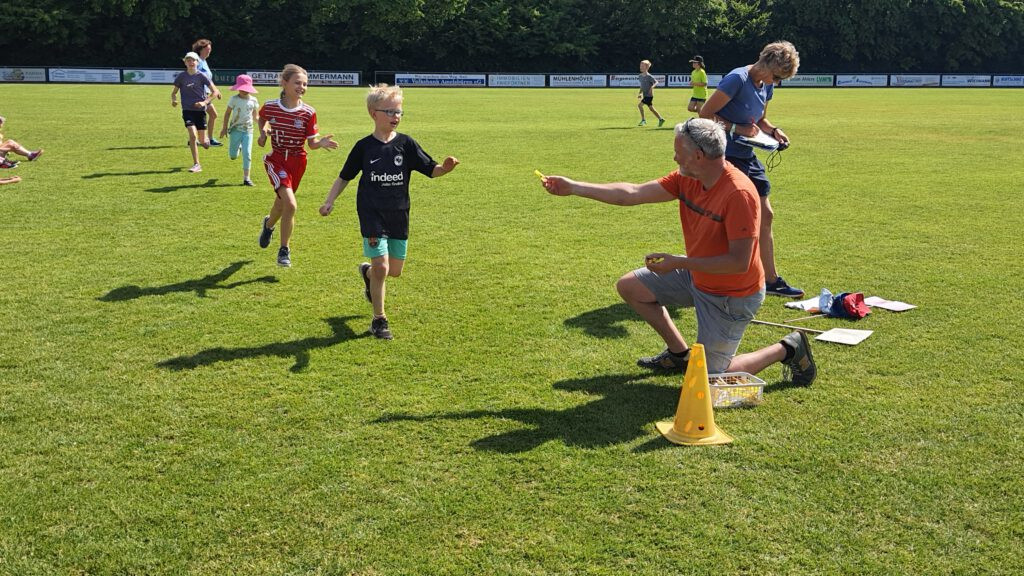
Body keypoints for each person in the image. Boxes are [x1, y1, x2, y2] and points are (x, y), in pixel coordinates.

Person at [540, 118, 815, 385]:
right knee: (631, 287)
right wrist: (574, 187)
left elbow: (739, 262)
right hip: (697, 276)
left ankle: (788, 347)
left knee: (707, 379)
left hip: (732, 295)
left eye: (678, 152)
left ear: (698, 155)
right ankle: (679, 354)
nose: (674, 158)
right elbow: (632, 193)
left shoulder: (738, 193)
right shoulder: (688, 177)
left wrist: (679, 262)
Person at [319, 84, 459, 340]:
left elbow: (432, 170)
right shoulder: (364, 147)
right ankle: (379, 320)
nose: (396, 116)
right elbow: (344, 177)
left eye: (399, 112)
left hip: (399, 213)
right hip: (371, 213)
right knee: (382, 266)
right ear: (374, 113)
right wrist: (330, 201)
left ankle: (367, 275)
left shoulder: (406, 144)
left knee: (393, 271)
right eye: (390, 111)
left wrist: (445, 168)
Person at [700, 40, 803, 298]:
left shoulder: (766, 85)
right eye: (777, 77)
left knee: (766, 215)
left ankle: (771, 280)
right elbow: (705, 113)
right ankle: (712, 278)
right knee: (728, 222)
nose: (777, 83)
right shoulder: (737, 79)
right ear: (767, 64)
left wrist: (774, 131)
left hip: (748, 154)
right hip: (725, 156)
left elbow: (759, 120)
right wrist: (736, 129)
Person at [256, 64, 339, 267]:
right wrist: (262, 133)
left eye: (305, 84)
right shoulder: (271, 105)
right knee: (291, 205)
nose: (302, 86)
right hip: (276, 160)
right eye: (297, 83)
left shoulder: (309, 112)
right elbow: (261, 117)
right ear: (284, 83)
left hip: (298, 162)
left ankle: (268, 226)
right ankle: (284, 250)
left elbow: (311, 144)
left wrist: (321, 143)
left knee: (281, 204)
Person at [171, 51, 221, 173]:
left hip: (200, 112)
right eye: (188, 60)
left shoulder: (202, 76)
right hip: (187, 110)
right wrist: (174, 100)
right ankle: (197, 164)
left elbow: (214, 91)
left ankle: (206, 141)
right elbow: (174, 92)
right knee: (193, 136)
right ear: (185, 62)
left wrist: (204, 102)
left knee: (204, 142)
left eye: (193, 60)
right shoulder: (181, 77)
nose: (191, 62)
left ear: (197, 62)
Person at [220, 74, 259, 186]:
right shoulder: (234, 99)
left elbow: (256, 117)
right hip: (235, 130)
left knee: (247, 154)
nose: (244, 91)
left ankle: (246, 178)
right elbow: (227, 113)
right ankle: (238, 148)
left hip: (248, 131)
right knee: (233, 156)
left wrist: (265, 127)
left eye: (246, 88)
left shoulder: (254, 100)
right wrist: (224, 128)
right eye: (242, 88)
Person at [192, 39, 223, 146]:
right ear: (201, 50)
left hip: (205, 94)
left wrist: (215, 89)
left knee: (210, 115)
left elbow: (208, 79)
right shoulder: (198, 62)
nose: (209, 51)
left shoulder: (204, 61)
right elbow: (195, 76)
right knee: (209, 115)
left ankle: (200, 138)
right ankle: (203, 139)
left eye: (210, 49)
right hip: (200, 94)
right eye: (207, 49)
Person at [636, 60, 665, 127]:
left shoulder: (649, 76)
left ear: (646, 67)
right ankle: (661, 119)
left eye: (642, 66)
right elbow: (642, 86)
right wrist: (640, 93)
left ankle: (643, 120)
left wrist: (652, 87)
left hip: (649, 96)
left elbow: (656, 82)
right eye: (640, 65)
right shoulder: (640, 76)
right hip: (645, 95)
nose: (640, 67)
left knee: (640, 105)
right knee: (651, 108)